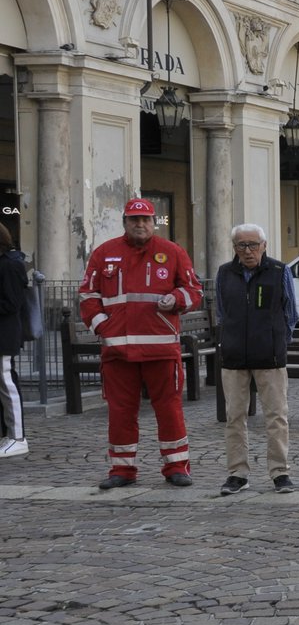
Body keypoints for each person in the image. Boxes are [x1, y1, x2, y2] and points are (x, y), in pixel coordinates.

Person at [79, 198, 203, 488]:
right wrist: (102, 327)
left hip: (160, 349)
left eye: (146, 219)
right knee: (120, 411)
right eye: (134, 219)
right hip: (117, 351)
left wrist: (177, 299)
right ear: (124, 222)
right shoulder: (104, 253)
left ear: (153, 222)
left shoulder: (172, 252)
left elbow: (193, 289)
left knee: (169, 409)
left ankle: (176, 467)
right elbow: (87, 294)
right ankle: (122, 471)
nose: (140, 224)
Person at [215, 223, 298, 495]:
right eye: (241, 245)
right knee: (234, 417)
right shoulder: (225, 273)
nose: (248, 251)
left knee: (276, 417)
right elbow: (222, 312)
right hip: (234, 355)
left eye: (253, 244)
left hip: (270, 355)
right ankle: (237, 473)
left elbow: (291, 314)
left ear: (264, 245)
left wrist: (277, 342)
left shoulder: (278, 271)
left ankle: (280, 472)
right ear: (234, 248)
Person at [0, 225, 30, 458]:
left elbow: (12, 303)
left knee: (7, 383)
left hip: (5, 334)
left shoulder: (10, 264)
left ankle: (17, 437)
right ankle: (8, 434)